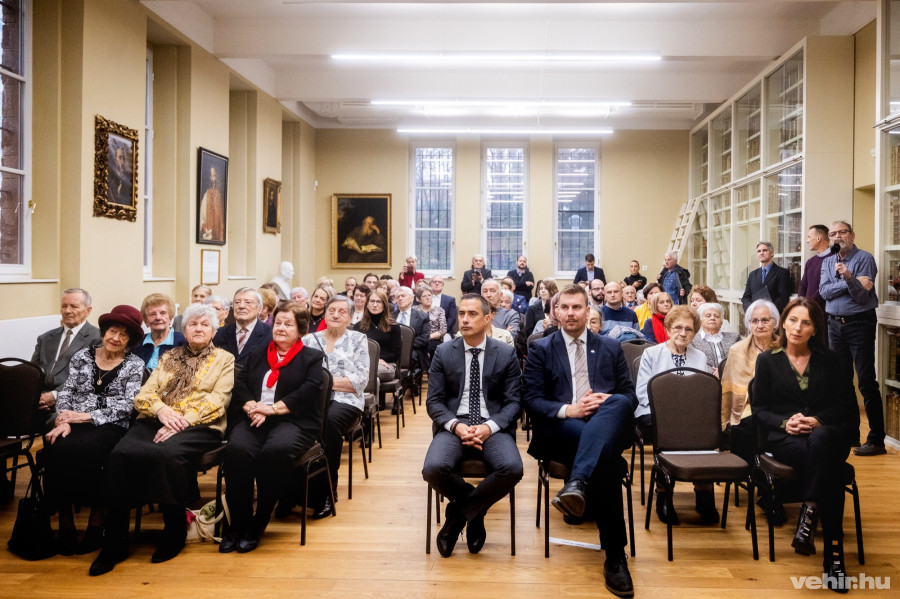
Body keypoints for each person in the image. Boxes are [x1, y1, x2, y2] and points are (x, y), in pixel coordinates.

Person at [90, 303, 234, 575]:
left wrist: (183, 421)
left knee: (167, 454)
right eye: (193, 324)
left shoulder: (224, 359)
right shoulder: (169, 357)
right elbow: (145, 394)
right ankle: (114, 542)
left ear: (214, 331)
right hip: (157, 418)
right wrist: (161, 410)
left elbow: (219, 399)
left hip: (201, 424)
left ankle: (174, 529)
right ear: (184, 330)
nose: (198, 328)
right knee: (120, 455)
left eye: (205, 324)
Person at [523, 284, 636, 598]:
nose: (570, 313)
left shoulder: (610, 347)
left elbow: (629, 396)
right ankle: (615, 556)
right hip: (562, 428)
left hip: (605, 424)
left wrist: (607, 400)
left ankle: (577, 483)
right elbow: (531, 400)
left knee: (617, 402)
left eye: (577, 307)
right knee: (608, 465)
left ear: (588, 311)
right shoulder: (541, 349)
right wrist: (569, 409)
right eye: (565, 307)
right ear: (556, 312)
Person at [753, 297, 860, 590]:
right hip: (787, 439)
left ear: (815, 329)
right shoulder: (768, 361)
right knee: (832, 469)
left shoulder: (832, 360)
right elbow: (760, 409)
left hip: (828, 434)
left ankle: (809, 514)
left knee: (823, 440)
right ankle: (834, 556)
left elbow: (845, 408)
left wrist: (817, 420)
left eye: (806, 322)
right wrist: (785, 423)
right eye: (792, 320)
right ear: (783, 323)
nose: (797, 328)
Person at [422, 293, 523, 558]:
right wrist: (456, 426)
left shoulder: (506, 353)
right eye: (461, 313)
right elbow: (434, 402)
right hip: (455, 423)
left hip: (492, 425)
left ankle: (458, 515)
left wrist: (489, 427)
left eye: (472, 314)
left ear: (488, 318)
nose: (465, 319)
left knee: (512, 468)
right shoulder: (444, 352)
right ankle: (475, 511)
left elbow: (514, 402)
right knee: (433, 468)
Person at [221, 302, 325, 553]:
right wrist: (251, 406)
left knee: (275, 451)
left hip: (294, 420)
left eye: (288, 324)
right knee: (237, 450)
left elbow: (308, 391)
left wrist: (273, 409)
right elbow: (240, 384)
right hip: (254, 417)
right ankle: (237, 523)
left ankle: (259, 520)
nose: (281, 328)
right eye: (278, 322)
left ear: (301, 330)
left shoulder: (311, 357)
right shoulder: (258, 352)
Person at [41, 305, 145, 556]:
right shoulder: (82, 356)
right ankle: (65, 521)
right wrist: (63, 420)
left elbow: (128, 405)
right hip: (72, 421)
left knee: (92, 452)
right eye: (112, 331)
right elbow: (66, 392)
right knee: (54, 447)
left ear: (130, 341)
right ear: (104, 332)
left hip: (109, 424)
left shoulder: (135, 364)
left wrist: (86, 416)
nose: (116, 338)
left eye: (123, 335)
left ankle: (97, 521)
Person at [634, 305, 716, 526]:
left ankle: (704, 492)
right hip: (654, 412)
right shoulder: (651, 354)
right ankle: (664, 494)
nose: (683, 333)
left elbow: (702, 393)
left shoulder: (699, 356)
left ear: (694, 332)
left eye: (688, 329)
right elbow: (643, 392)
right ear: (668, 329)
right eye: (678, 327)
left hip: (690, 415)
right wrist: (671, 413)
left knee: (704, 432)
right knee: (670, 431)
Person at [818, 220, 885, 456]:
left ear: (852, 235)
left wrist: (848, 277)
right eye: (833, 233)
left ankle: (876, 440)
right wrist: (851, 281)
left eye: (842, 232)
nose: (837, 236)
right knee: (842, 381)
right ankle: (851, 433)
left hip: (859, 324)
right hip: (835, 325)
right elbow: (824, 292)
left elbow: (861, 297)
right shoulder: (827, 261)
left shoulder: (865, 258)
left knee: (866, 381)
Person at [303, 296, 369, 519]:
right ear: (324, 313)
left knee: (329, 422)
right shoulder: (308, 340)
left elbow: (360, 380)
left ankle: (327, 493)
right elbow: (300, 376)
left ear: (350, 317)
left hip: (346, 401)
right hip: (312, 400)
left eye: (342, 311)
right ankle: (294, 491)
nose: (335, 314)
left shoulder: (358, 339)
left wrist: (322, 382)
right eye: (331, 310)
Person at [31, 288, 102, 425]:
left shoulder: (97, 339)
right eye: (64, 306)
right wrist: (35, 396)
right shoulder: (45, 338)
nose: (67, 311)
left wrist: (55, 395)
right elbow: (32, 371)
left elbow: (89, 378)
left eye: (74, 306)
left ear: (88, 311)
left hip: (71, 400)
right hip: (39, 399)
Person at [720, 299, 780, 429]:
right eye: (755, 321)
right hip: (747, 407)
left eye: (765, 320)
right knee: (748, 425)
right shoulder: (737, 350)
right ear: (749, 324)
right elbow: (729, 389)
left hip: (779, 405)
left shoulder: (784, 348)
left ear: (775, 323)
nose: (760, 325)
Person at [212, 288, 273, 368]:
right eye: (237, 302)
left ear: (259, 308)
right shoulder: (219, 333)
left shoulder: (269, 334)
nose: (241, 306)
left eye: (248, 302)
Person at [354, 288, 402, 384]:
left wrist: (378, 360)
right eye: (372, 301)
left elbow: (395, 353)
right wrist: (372, 360)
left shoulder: (394, 326)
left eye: (379, 302)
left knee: (369, 373)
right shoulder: (358, 326)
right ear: (367, 304)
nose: (375, 305)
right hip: (362, 364)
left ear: (384, 305)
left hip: (386, 364)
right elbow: (354, 351)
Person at [135, 293, 186, 371]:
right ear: (146, 320)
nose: (158, 318)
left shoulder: (182, 342)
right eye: (152, 314)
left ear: (170, 317)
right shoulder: (138, 343)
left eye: (163, 313)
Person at [741, 241, 793, 315]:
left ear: (772, 253)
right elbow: (746, 297)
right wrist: (751, 311)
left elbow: (783, 298)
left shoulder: (782, 273)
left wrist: (767, 312)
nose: (761, 253)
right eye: (759, 251)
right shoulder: (752, 275)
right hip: (754, 316)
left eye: (765, 250)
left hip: (772, 316)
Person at [691, 303, 740, 376]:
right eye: (708, 316)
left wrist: (724, 370)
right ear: (701, 321)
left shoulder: (735, 338)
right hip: (705, 379)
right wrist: (713, 373)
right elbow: (694, 361)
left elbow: (741, 358)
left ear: (721, 322)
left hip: (732, 378)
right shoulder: (693, 340)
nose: (712, 318)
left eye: (716, 316)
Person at [393, 286, 430, 370]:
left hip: (413, 349)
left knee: (407, 357)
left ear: (411, 298)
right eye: (398, 297)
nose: (400, 298)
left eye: (403, 296)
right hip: (393, 349)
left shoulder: (422, 317)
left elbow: (424, 338)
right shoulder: (390, 317)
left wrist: (405, 346)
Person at [797, 224, 832, 313]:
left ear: (818, 238)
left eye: (809, 237)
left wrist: (809, 304)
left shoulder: (834, 259)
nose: (807, 241)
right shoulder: (810, 262)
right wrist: (801, 303)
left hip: (824, 312)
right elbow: (803, 285)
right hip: (807, 310)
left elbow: (826, 287)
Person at [416, 286, 447, 361]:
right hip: (418, 339)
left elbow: (443, 330)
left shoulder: (439, 310)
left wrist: (428, 337)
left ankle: (429, 368)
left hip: (433, 339)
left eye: (429, 295)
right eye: (424, 296)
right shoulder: (415, 310)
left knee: (430, 348)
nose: (428, 298)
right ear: (419, 299)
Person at [199, 166, 225, 242]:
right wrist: (206, 230)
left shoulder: (218, 194)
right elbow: (201, 218)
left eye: (214, 176)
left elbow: (221, 220)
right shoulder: (206, 195)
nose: (214, 179)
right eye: (212, 176)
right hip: (208, 236)